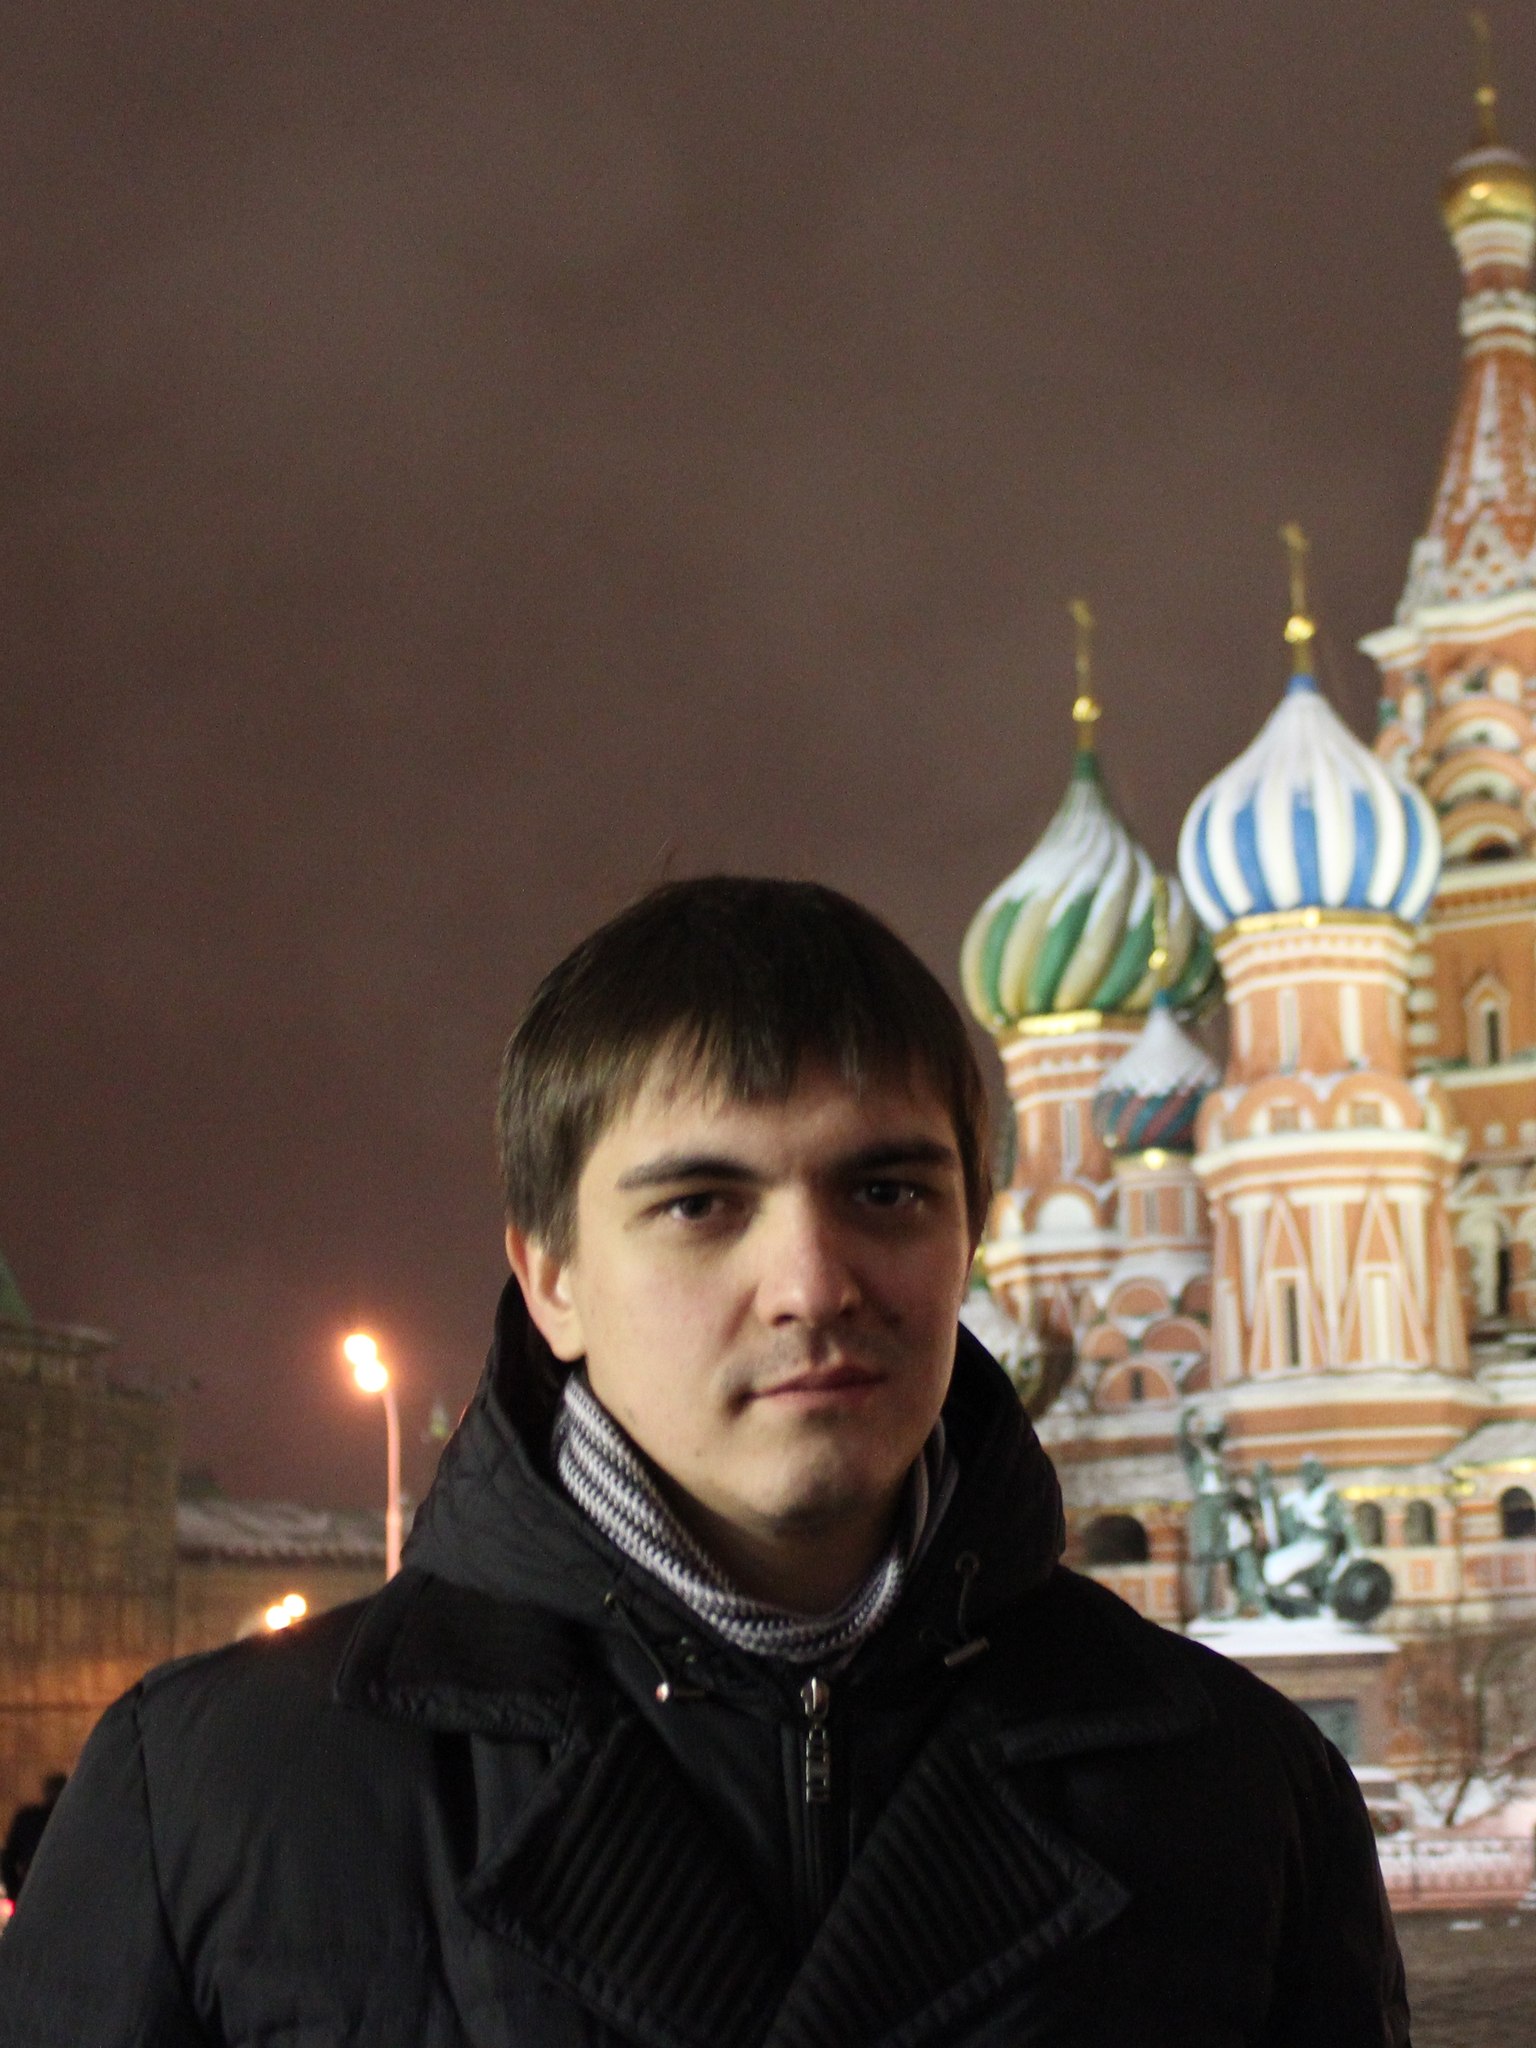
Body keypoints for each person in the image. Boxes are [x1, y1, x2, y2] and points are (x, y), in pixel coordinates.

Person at [0, 878, 1408, 2044]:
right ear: (551, 1276)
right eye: (701, 1204)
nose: (813, 1282)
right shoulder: (216, 1795)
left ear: (969, 1236)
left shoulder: (1240, 1793)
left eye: (887, 1190)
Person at [0, 1773, 64, 1905]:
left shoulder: (28, 1819)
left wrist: (15, 1893)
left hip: (31, 1890)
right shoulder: (71, 1822)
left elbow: (9, 1859)